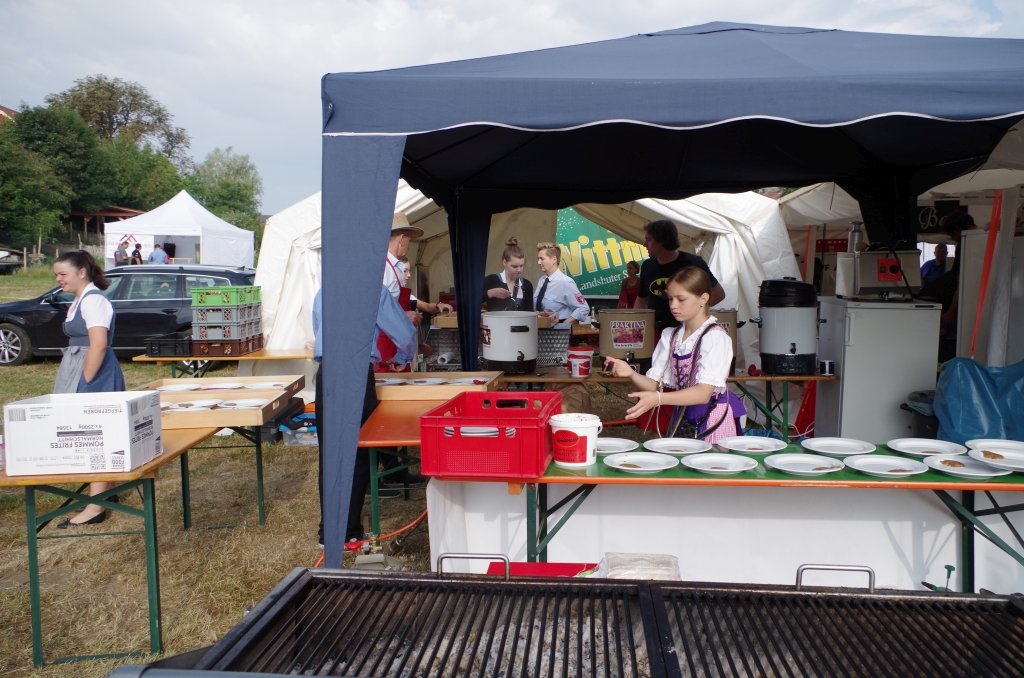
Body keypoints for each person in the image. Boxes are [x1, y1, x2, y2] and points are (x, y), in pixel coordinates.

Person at [313, 285, 417, 547]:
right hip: (356, 371)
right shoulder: (373, 289)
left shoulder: (326, 288)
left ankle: (329, 530)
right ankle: (347, 530)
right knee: (358, 451)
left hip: (328, 371)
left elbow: (317, 326)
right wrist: (402, 357)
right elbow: (404, 332)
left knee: (330, 452)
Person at [604, 266, 744, 443]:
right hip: (682, 415)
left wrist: (659, 399)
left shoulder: (715, 338)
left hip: (711, 417)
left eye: (681, 299)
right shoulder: (671, 336)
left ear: (703, 299)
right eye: (670, 299)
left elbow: (703, 393)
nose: (673, 305)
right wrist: (631, 373)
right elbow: (653, 385)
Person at [51, 250, 126, 527]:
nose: (58, 279)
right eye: (57, 274)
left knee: (96, 435)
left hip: (95, 370)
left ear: (81, 272)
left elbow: (99, 344)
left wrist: (86, 378)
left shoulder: (94, 301)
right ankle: (104, 492)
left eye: (63, 274)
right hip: (82, 366)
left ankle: (96, 507)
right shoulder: (81, 299)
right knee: (90, 433)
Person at [634, 219, 725, 333]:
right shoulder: (647, 266)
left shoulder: (693, 263)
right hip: (655, 333)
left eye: (648, 240)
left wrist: (695, 313)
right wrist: (636, 327)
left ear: (661, 240)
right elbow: (641, 301)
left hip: (688, 332)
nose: (644, 244)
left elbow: (718, 294)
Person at [919, 211, 974, 362]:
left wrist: (951, 312)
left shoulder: (968, 243)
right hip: (955, 290)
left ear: (957, 230)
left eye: (952, 235)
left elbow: (962, 281)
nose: (952, 239)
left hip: (958, 293)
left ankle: (941, 330)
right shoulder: (929, 264)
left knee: (925, 298)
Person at [534, 242, 589, 325]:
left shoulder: (565, 282)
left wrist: (563, 326)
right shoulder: (542, 280)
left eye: (542, 259)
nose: (538, 262)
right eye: (538, 259)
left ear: (554, 259)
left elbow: (583, 308)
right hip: (541, 327)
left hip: (558, 328)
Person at [483, 237, 534, 312]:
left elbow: (530, 311)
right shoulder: (491, 280)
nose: (519, 270)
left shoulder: (527, 285)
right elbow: (473, 300)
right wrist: (489, 293)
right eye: (514, 266)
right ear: (504, 262)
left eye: (521, 266)